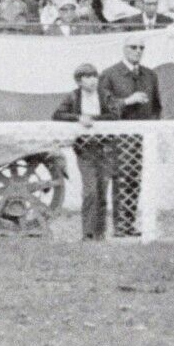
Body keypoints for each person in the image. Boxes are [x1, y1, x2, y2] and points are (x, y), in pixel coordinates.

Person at [52, 63, 121, 239]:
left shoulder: (104, 95)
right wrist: (78, 118)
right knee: (90, 191)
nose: (92, 81)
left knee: (102, 190)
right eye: (87, 77)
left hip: (105, 149)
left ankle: (100, 233)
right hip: (85, 150)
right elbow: (58, 114)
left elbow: (115, 115)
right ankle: (88, 234)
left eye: (94, 77)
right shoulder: (74, 97)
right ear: (79, 81)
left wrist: (93, 119)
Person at [100, 40, 161, 237]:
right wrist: (127, 101)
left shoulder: (150, 75)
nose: (138, 51)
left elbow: (156, 107)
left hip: (142, 137)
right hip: (119, 137)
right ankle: (119, 226)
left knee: (136, 179)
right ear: (124, 49)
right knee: (120, 179)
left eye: (141, 48)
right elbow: (104, 105)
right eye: (133, 47)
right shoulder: (110, 74)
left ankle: (129, 224)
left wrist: (153, 131)